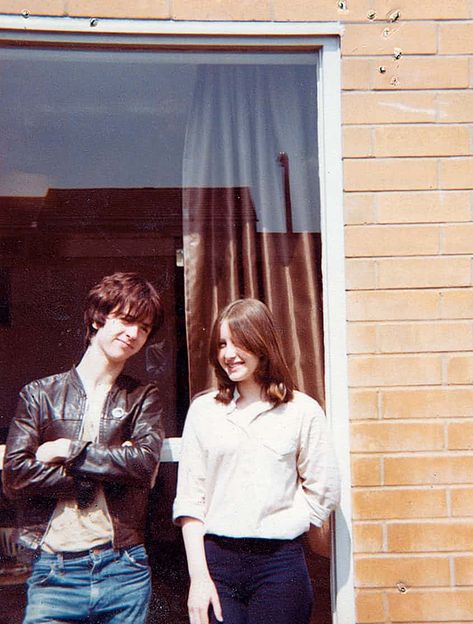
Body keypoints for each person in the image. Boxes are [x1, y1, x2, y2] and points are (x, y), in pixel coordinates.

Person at [2, 272, 165, 624]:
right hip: (53, 571)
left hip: (124, 568)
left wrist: (67, 450)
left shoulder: (142, 398)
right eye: (126, 319)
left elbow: (142, 464)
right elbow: (15, 475)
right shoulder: (40, 395)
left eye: (144, 328)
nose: (134, 333)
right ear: (97, 318)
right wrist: (92, 477)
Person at [173, 298, 340, 624]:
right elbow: (191, 499)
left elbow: (325, 489)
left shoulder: (301, 411)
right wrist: (199, 579)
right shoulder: (205, 411)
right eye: (222, 344)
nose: (229, 354)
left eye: (240, 342)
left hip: (280, 567)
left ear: (262, 345)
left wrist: (287, 518)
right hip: (216, 566)